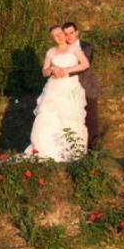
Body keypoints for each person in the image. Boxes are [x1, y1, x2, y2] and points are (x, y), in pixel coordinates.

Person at [24, 25, 90, 161]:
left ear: (64, 34)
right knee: (48, 117)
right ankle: (46, 151)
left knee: (69, 117)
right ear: (52, 38)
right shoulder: (51, 52)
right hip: (53, 88)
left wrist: (67, 70)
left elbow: (85, 64)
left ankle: (71, 152)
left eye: (60, 33)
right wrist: (52, 68)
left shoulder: (74, 49)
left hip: (69, 86)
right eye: (55, 36)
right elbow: (44, 72)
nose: (59, 37)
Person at [62, 22, 101, 150]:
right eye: (66, 34)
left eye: (71, 33)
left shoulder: (86, 46)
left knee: (91, 118)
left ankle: (94, 149)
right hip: (68, 89)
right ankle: (75, 148)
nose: (69, 36)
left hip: (86, 86)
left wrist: (64, 70)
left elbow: (85, 64)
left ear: (77, 32)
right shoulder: (62, 49)